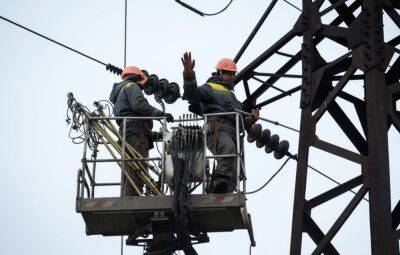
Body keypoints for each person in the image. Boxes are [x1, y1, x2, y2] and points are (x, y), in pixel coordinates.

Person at [181, 52, 259, 193]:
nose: (232, 77)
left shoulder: (232, 97)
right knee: (228, 151)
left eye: (233, 74)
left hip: (232, 133)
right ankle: (218, 184)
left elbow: (240, 121)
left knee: (235, 166)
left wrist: (251, 119)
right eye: (229, 74)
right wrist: (188, 73)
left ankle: (224, 190)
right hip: (218, 129)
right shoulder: (210, 87)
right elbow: (192, 94)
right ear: (220, 72)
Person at [109, 66, 174, 196]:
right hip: (135, 133)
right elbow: (139, 106)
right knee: (138, 168)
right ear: (137, 77)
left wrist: (159, 135)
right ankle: (132, 198)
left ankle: (128, 196)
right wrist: (160, 114)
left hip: (129, 132)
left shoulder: (121, 92)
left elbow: (139, 127)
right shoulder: (132, 86)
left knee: (130, 166)